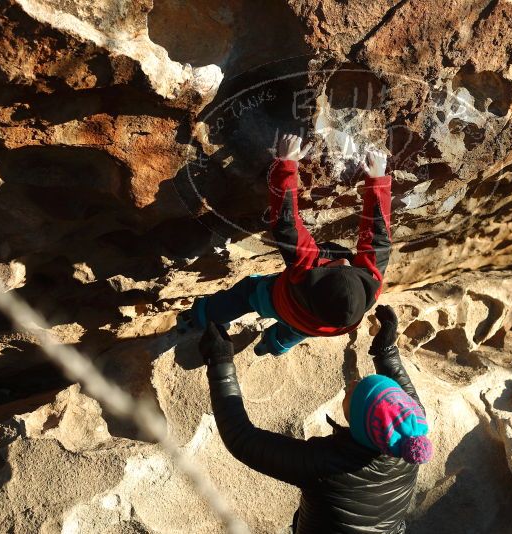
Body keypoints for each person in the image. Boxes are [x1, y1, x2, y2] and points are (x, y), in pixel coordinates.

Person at [202, 305, 432, 533]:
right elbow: (402, 397)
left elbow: (242, 440)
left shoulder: (327, 466)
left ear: (360, 423)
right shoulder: (412, 437)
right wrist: (386, 350)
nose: (351, 384)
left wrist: (220, 364)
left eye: (354, 392)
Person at [181, 134, 392, 356]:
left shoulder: (303, 272)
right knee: (298, 331)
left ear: (315, 277)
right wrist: (378, 180)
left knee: (246, 293)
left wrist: (287, 163)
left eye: (333, 266)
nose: (342, 260)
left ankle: (200, 317)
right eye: (349, 266)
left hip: (277, 302)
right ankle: (274, 345)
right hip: (317, 325)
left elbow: (286, 223)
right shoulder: (368, 293)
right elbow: (377, 236)